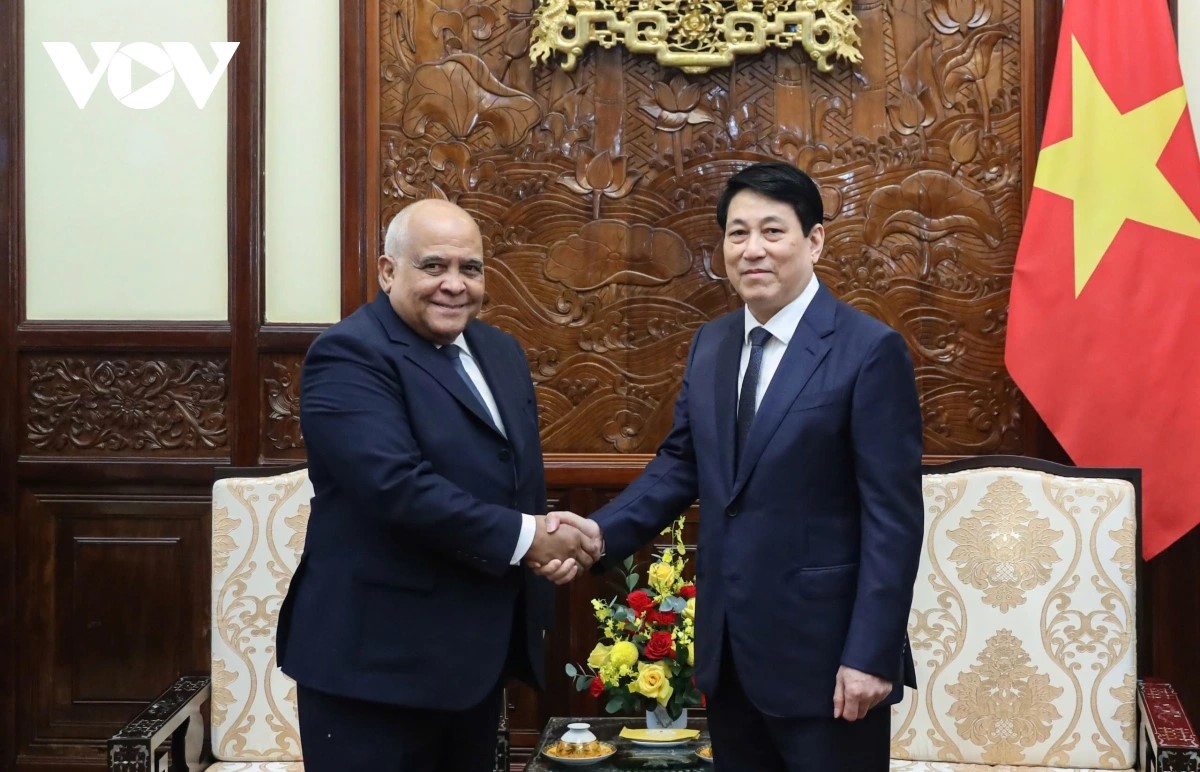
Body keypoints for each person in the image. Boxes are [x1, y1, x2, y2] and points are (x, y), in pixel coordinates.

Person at [576, 162, 924, 771]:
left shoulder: (869, 351)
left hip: (828, 664)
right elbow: (681, 463)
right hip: (730, 656)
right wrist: (597, 533)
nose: (752, 249)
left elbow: (892, 520)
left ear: (814, 241)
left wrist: (872, 654)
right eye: (737, 233)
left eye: (772, 231)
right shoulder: (712, 344)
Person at [277, 199, 601, 772]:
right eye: (433, 266)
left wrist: (543, 546)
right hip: (374, 668)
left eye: (470, 268)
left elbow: (513, 478)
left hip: (472, 664)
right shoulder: (349, 354)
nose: (454, 284)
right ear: (387, 271)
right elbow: (396, 487)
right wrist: (530, 538)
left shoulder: (500, 351)